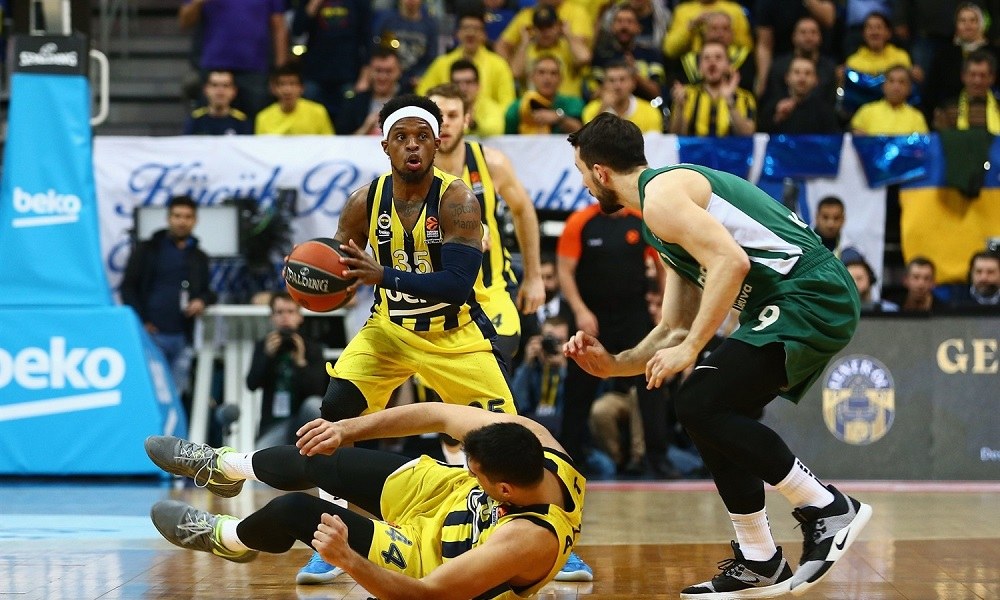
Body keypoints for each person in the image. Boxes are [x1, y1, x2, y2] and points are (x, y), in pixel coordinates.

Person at [564, 113, 872, 597]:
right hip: (786, 302)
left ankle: (826, 507)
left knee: (699, 400)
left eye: (583, 172)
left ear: (601, 172)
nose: (584, 184)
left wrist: (691, 349)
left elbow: (731, 261)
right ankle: (760, 558)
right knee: (707, 411)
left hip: (809, 292)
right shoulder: (659, 216)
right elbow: (674, 326)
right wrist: (615, 364)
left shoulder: (662, 196)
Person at [290, 94, 519, 584]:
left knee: (507, 442)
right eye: (401, 137)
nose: (412, 145)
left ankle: (534, 535)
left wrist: (383, 274)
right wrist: (321, 279)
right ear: (385, 146)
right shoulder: (363, 203)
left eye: (422, 137)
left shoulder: (459, 200)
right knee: (335, 413)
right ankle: (333, 535)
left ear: (436, 145)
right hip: (389, 331)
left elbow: (456, 284)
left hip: (454, 335)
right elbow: (340, 268)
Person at [145, 401, 585, 599]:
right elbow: (436, 414)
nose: (470, 469)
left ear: (504, 490)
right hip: (441, 492)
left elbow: (429, 595)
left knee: (295, 512)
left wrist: (348, 561)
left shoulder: (527, 540)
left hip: (427, 557)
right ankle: (225, 467)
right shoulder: (534, 440)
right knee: (321, 456)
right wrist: (345, 430)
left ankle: (228, 539)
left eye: (477, 471)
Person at [556, 198, 676, 480]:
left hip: (634, 314)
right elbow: (565, 270)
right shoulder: (581, 221)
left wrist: (663, 306)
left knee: (651, 381)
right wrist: (580, 311)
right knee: (579, 385)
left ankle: (657, 458)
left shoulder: (641, 221)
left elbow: (663, 267)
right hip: (592, 316)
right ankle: (571, 458)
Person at [426, 84, 545, 364]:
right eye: (437, 116)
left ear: (467, 119)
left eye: (453, 115)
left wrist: (533, 276)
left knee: (491, 359)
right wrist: (460, 238)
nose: (445, 123)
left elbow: (523, 211)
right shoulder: (412, 171)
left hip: (490, 292)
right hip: (435, 298)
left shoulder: (491, 163)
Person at [121, 195, 216, 408]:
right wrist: (141, 322)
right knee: (148, 394)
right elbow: (128, 287)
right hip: (151, 335)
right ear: (168, 218)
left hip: (183, 337)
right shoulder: (147, 250)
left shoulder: (199, 256)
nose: (182, 221)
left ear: (195, 220)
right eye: (177, 216)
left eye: (187, 217)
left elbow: (208, 291)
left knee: (175, 398)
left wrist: (201, 300)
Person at [178, 0, 288, 119]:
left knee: (256, 119)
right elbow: (184, 22)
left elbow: (279, 27)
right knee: (210, 122)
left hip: (255, 67)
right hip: (214, 66)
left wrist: (281, 70)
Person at [246, 292, 328, 448]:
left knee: (313, 404)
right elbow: (251, 384)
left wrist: (301, 362)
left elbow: (317, 392)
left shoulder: (312, 347)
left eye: (290, 312)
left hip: (303, 421)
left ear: (300, 316)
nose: (285, 317)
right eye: (279, 312)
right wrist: (267, 357)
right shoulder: (264, 345)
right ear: (272, 317)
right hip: (274, 425)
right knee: (259, 454)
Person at [668, 41, 756, 137]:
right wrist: (679, 108)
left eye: (718, 57)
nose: (712, 62)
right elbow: (675, 137)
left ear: (728, 65)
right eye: (706, 58)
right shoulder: (687, 94)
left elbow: (748, 136)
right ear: (699, 67)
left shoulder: (745, 98)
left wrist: (730, 101)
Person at [511, 315, 572, 435]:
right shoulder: (532, 368)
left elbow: (574, 412)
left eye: (560, 341)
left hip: (565, 432)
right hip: (530, 431)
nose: (554, 346)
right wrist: (527, 364)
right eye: (549, 340)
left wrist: (564, 369)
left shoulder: (575, 373)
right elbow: (515, 404)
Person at [758, 56, 841, 134]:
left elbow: (833, 139)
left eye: (807, 73)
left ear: (816, 80)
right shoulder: (773, 107)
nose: (802, 78)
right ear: (787, 78)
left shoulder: (825, 111)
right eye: (797, 72)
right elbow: (760, 135)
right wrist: (777, 118)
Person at [505, 55, 585, 134]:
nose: (547, 78)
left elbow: (581, 132)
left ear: (561, 78)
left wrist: (559, 118)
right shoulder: (518, 107)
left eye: (553, 73)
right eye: (541, 72)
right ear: (531, 77)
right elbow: (507, 138)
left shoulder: (573, 103)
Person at [335, 47, 403, 136]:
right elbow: (340, 141)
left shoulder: (409, 104)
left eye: (388, 71)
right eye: (378, 71)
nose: (382, 77)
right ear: (370, 71)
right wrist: (365, 128)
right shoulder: (353, 103)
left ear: (399, 72)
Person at [582, 61, 664, 133]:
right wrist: (602, 109)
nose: (617, 86)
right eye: (611, 80)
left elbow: (654, 143)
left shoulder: (650, 112)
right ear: (604, 84)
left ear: (633, 83)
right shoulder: (591, 110)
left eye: (622, 80)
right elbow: (587, 141)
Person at [255, 65, 335, 135]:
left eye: (292, 84)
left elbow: (329, 143)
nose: (287, 90)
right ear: (273, 89)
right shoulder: (263, 118)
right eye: (282, 84)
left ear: (302, 88)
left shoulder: (318, 112)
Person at [850, 65, 929, 135]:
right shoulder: (866, 111)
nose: (896, 87)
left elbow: (921, 145)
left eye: (901, 82)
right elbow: (856, 140)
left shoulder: (917, 117)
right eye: (891, 81)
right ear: (883, 86)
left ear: (909, 88)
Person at [183, 69, 252, 135]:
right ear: (206, 90)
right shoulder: (195, 121)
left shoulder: (241, 122)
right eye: (214, 85)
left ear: (233, 91)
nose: (220, 91)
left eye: (225, 86)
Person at [449, 59, 505, 137]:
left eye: (468, 82)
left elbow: (496, 129)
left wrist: (473, 125)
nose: (463, 88)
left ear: (478, 85)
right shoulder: (443, 106)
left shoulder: (489, 106)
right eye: (457, 83)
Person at [812, 196, 859, 260]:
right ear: (816, 217)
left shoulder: (851, 255)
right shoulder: (800, 247)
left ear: (843, 219)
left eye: (836, 218)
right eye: (825, 217)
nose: (830, 224)